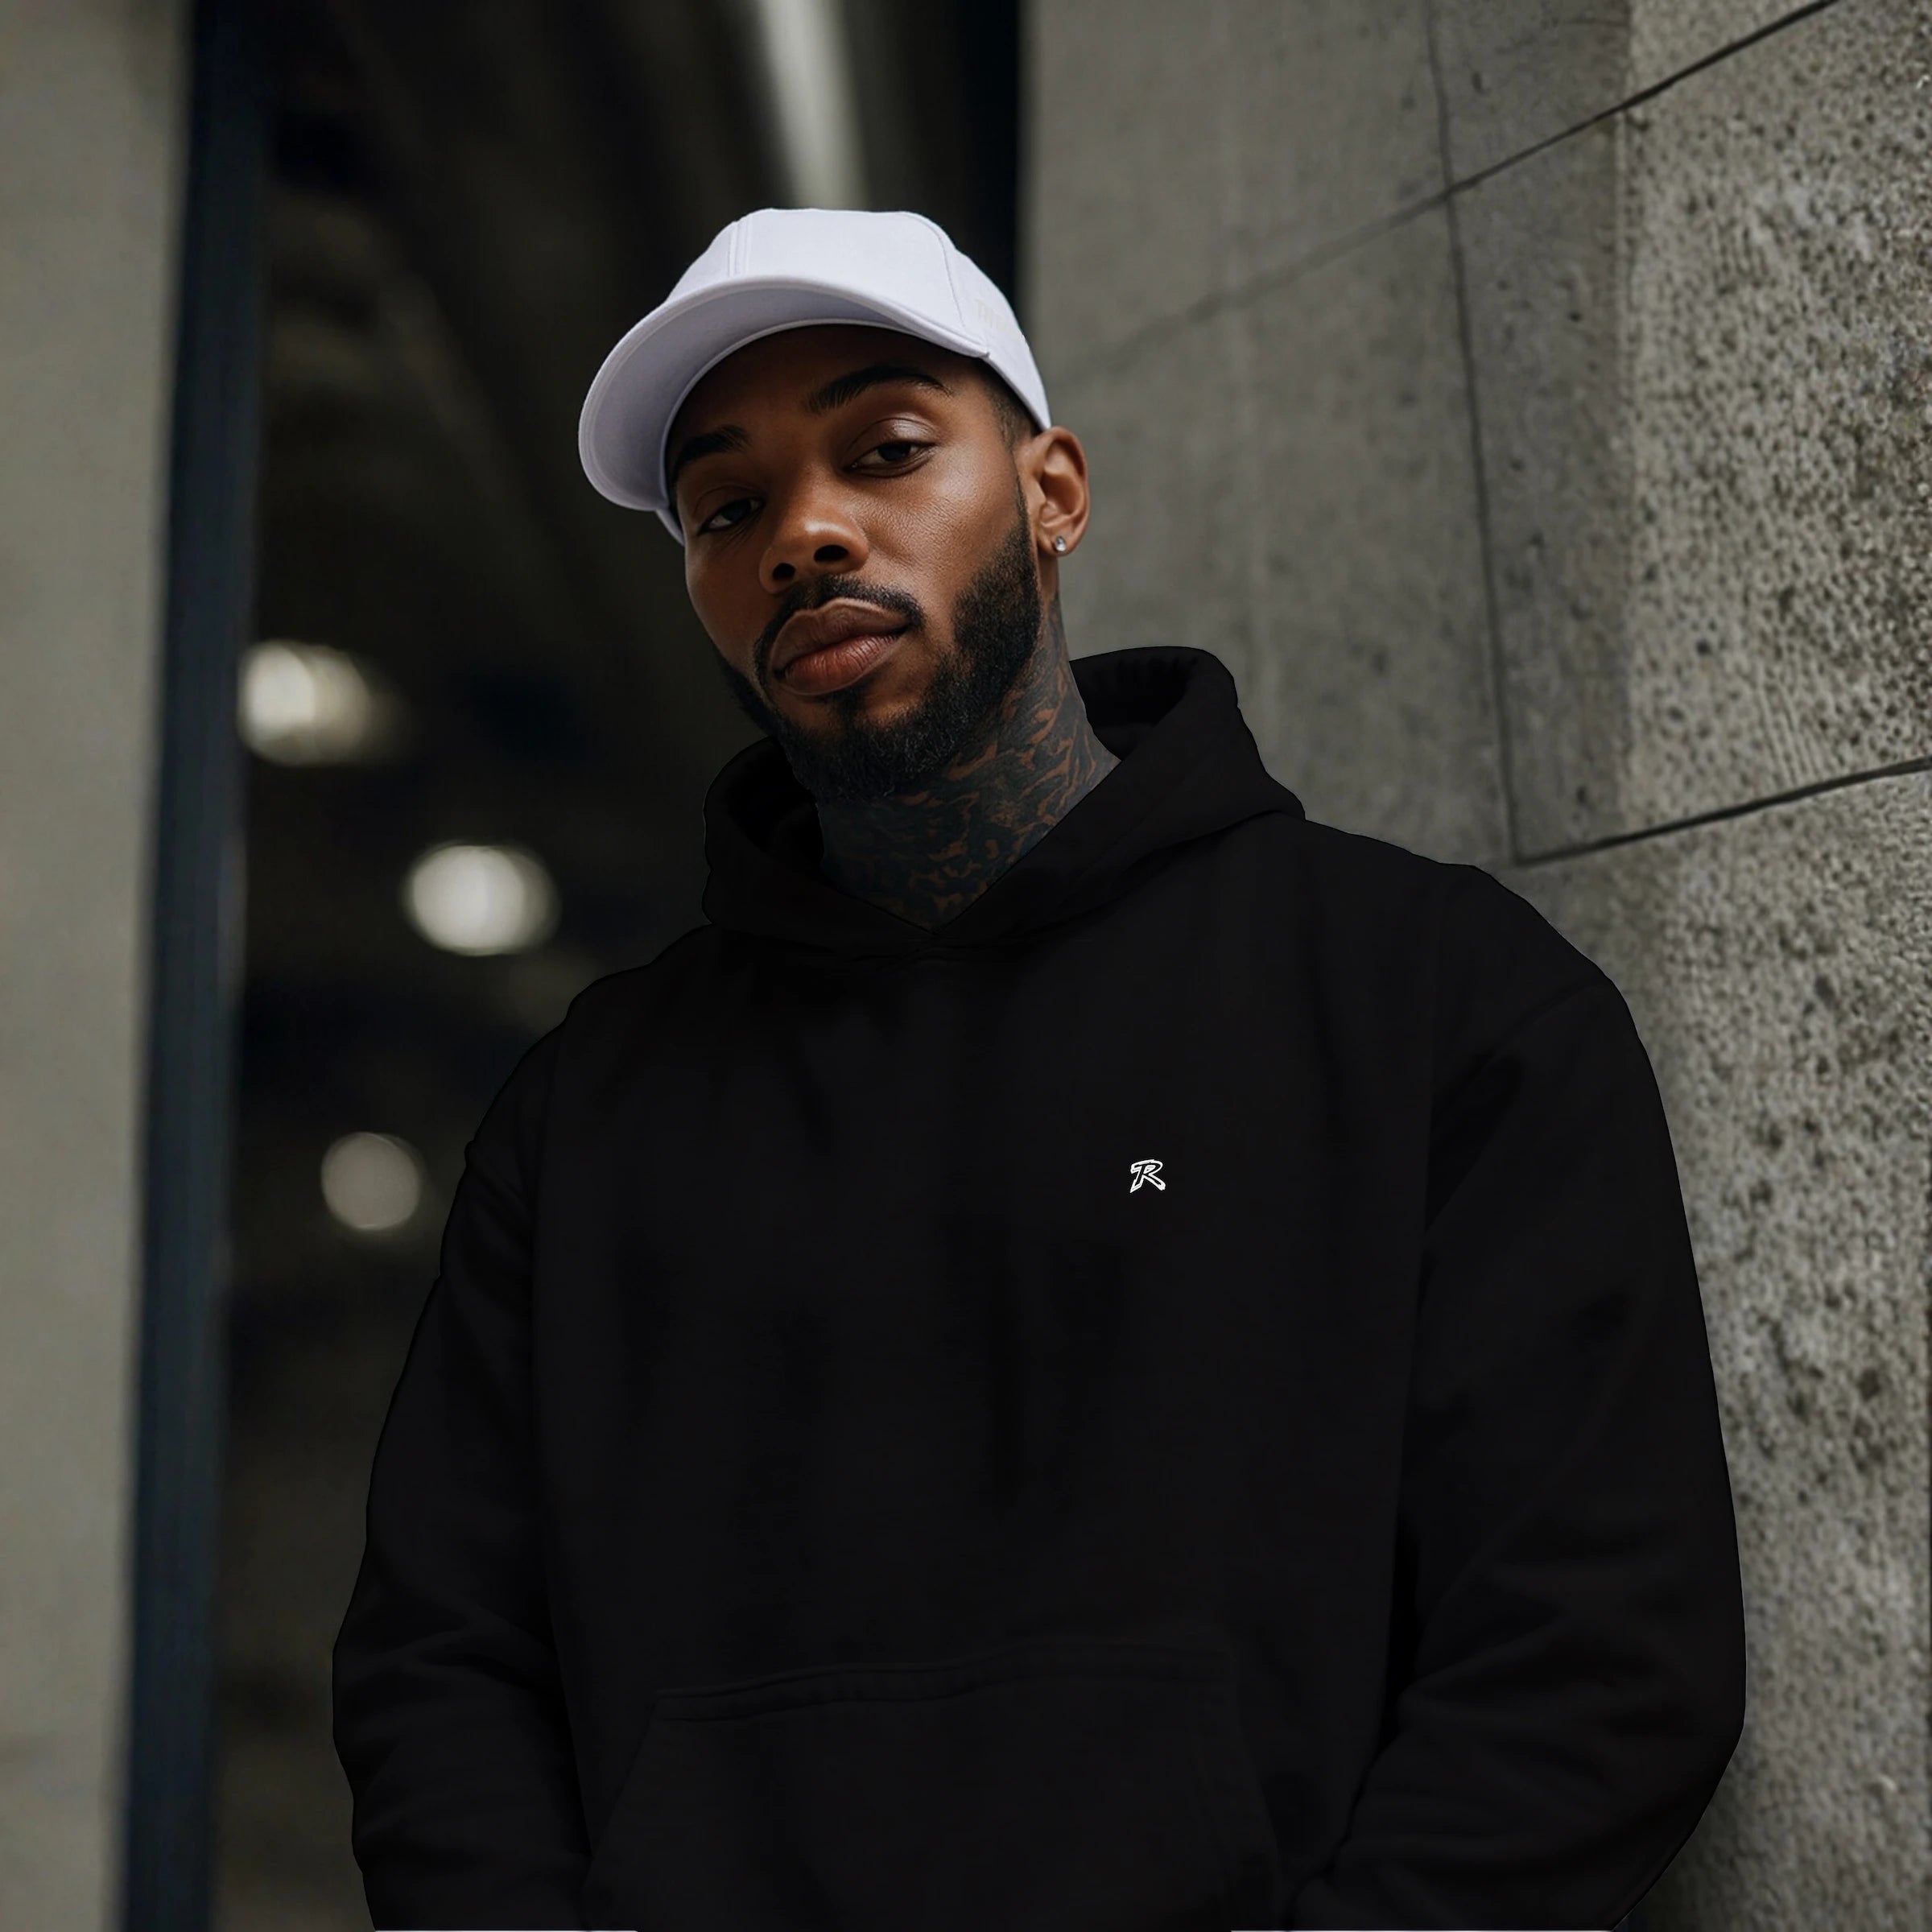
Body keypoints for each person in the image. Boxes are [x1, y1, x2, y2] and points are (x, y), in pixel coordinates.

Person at [331, 207, 1745, 1932]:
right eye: (728, 505)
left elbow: (1599, 1645)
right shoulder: (587, 1117)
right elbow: (441, 1663)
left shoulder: (1432, 1004)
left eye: (887, 449)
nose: (805, 533)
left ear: (1053, 491)